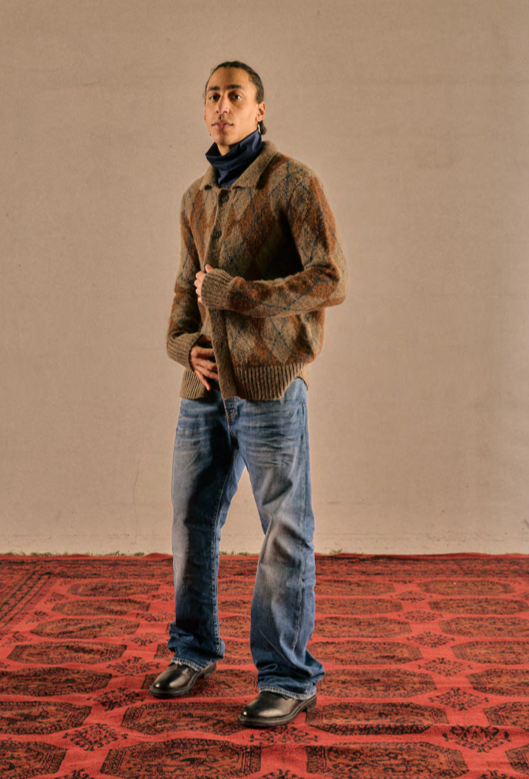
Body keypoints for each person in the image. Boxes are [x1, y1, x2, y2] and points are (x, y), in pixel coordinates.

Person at [149, 60, 348, 728]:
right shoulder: (196, 196)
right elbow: (184, 294)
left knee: (283, 531)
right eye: (213, 95)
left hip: (269, 385)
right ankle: (193, 649)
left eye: (235, 95)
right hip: (203, 388)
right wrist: (185, 347)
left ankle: (288, 677)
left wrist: (240, 295)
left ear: (259, 109)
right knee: (190, 521)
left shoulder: (292, 181)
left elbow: (329, 277)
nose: (222, 106)